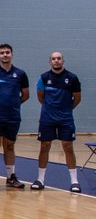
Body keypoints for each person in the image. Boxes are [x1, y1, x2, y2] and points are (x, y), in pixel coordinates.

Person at [33, 51, 82, 193]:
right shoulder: (44, 77)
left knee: (68, 146)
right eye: (53, 59)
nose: (56, 61)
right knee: (44, 146)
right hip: (47, 118)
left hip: (65, 118)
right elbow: (41, 98)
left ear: (63, 61)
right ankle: (40, 179)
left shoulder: (72, 78)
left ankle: (74, 181)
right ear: (50, 61)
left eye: (59, 58)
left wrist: (66, 110)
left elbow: (77, 98)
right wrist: (51, 109)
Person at [0, 43, 30, 188]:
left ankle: (11, 177)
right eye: (2, 53)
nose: (5, 55)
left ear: (12, 54)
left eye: (7, 52)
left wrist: (13, 104)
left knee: (10, 146)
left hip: (12, 117)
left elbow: (25, 95)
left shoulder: (20, 74)